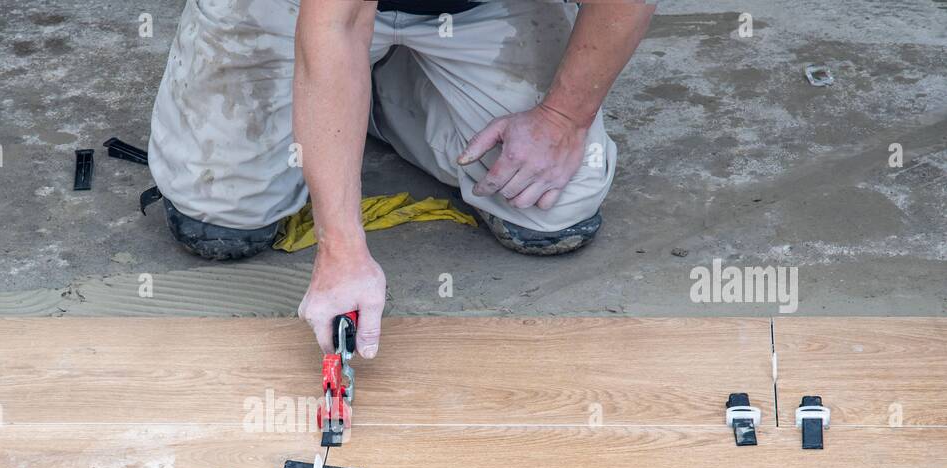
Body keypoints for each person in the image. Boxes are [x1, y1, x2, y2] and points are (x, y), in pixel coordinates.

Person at [148, 0, 656, 356]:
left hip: (478, 9)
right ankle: (347, 97)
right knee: (222, 213)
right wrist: (341, 251)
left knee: (551, 208)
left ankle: (386, 96)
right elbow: (337, 23)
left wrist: (563, 120)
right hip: (300, 8)